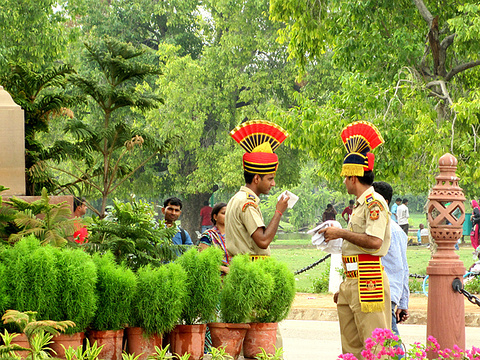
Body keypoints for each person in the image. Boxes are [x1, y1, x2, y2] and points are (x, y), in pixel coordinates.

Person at [319, 121, 391, 359]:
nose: (344, 182)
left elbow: (374, 242)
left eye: (345, 176)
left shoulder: (374, 203)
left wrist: (340, 233)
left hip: (368, 277)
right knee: (351, 347)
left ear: (352, 177)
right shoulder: (360, 205)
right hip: (352, 278)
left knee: (376, 347)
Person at [225, 120, 290, 259]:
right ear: (256, 179)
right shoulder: (247, 203)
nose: (273, 183)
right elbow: (263, 241)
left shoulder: (237, 198)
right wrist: (279, 212)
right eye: (270, 178)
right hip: (251, 271)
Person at [373, 181, 409, 358]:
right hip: (392, 292)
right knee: (386, 337)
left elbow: (400, 267)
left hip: (383, 290)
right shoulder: (396, 230)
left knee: (389, 338)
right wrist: (403, 302)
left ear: (384, 202)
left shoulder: (386, 229)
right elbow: (404, 268)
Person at [199, 202, 230, 273]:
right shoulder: (208, 235)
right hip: (215, 277)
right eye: (224, 213)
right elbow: (202, 260)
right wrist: (223, 268)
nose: (227, 215)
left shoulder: (234, 235)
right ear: (215, 217)